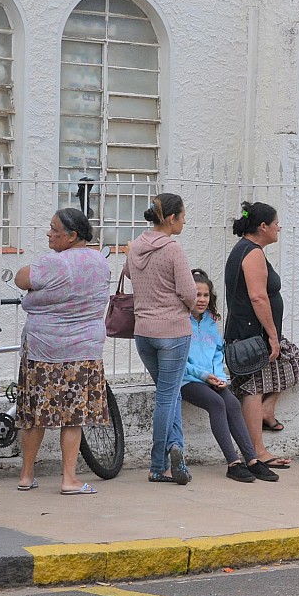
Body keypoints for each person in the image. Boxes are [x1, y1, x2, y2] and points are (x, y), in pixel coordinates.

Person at [15, 208, 110, 496]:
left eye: (55, 229)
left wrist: (34, 300)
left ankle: (26, 475)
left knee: (34, 412)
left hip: (44, 349)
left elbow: (21, 280)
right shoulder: (100, 262)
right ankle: (69, 478)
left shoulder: (53, 263)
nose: (49, 233)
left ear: (72, 236)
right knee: (74, 416)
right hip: (84, 350)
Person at [224, 201, 299, 472]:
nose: (279, 227)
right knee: (253, 389)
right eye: (276, 222)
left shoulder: (246, 250)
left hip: (250, 334)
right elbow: (258, 296)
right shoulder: (252, 253)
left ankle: (268, 412)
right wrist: (271, 336)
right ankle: (257, 450)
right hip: (251, 336)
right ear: (263, 226)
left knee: (295, 362)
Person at [125, 193, 197, 486]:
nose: (185, 220)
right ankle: (158, 466)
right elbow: (190, 292)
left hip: (143, 332)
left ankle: (175, 446)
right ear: (170, 218)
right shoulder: (173, 249)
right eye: (182, 215)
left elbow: (129, 273)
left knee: (172, 391)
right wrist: (184, 308)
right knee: (167, 397)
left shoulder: (136, 245)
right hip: (173, 332)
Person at [181, 269, 276, 483]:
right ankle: (233, 462)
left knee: (231, 402)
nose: (202, 299)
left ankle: (251, 460)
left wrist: (217, 375)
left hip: (210, 378)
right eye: (197, 294)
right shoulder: (179, 320)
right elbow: (181, 361)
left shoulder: (210, 320)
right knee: (217, 404)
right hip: (187, 379)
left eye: (205, 295)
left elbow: (217, 351)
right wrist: (205, 376)